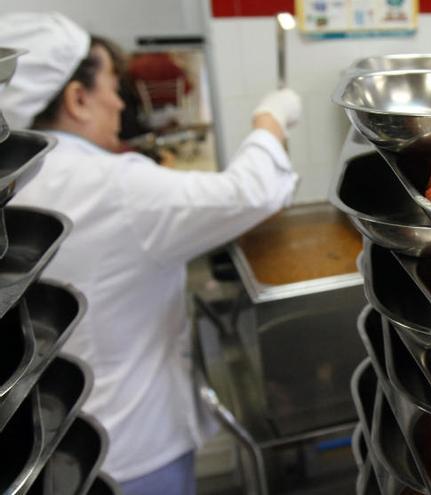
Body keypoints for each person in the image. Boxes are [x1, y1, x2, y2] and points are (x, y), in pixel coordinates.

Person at [0, 12, 302, 495]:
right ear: (78, 99)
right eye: (112, 87)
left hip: (49, 443)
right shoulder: (112, 186)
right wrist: (270, 119)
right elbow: (251, 192)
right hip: (133, 449)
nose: (121, 102)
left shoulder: (18, 182)